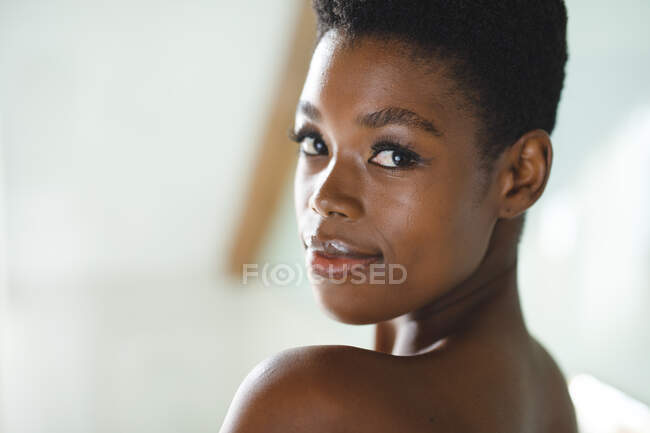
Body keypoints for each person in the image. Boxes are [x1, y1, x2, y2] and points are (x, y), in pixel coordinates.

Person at [220, 1, 578, 431]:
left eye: (392, 155)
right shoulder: (548, 390)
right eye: (315, 143)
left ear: (520, 176)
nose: (325, 198)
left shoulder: (311, 403)